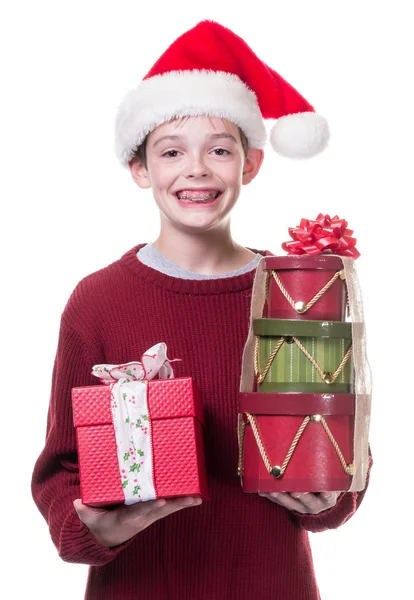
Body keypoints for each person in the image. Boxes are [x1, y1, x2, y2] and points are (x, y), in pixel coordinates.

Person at [31, 20, 372, 600]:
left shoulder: (298, 291)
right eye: (171, 151)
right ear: (141, 170)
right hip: (139, 586)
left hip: (271, 583)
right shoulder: (98, 301)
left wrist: (333, 498)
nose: (196, 169)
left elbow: (338, 435)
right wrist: (92, 526)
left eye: (219, 149)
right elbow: (62, 471)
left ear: (250, 164)